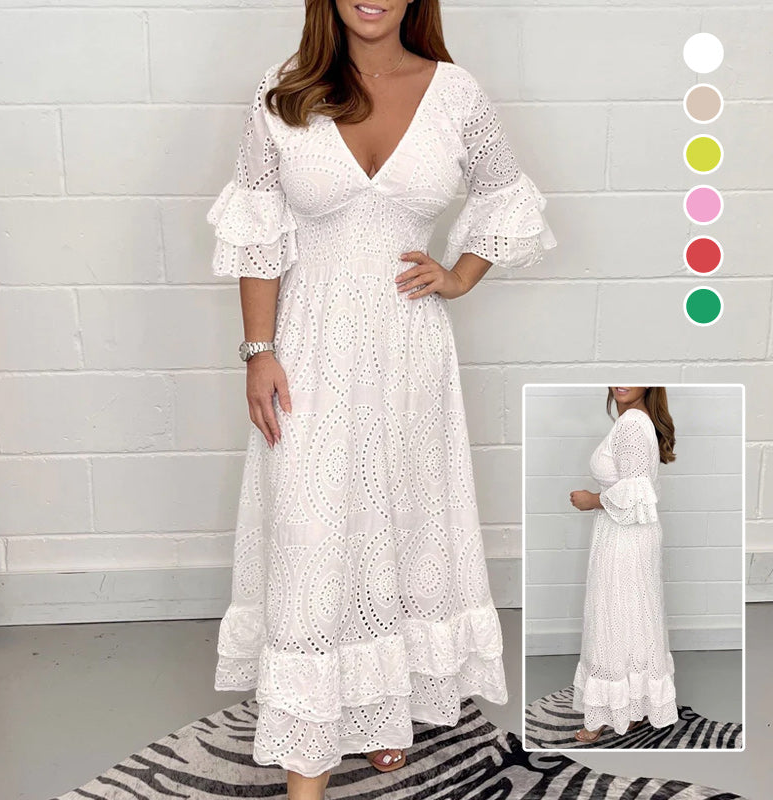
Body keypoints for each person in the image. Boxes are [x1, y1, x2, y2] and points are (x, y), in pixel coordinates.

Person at [207, 1, 556, 796]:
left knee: (400, 525)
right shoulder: (284, 91)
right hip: (307, 346)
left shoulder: (456, 93)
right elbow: (258, 233)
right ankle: (308, 751)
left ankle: (377, 705)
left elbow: (505, 195)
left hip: (409, 351)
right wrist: (259, 352)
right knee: (309, 530)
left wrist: (459, 275)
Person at [569, 387, 678, 744]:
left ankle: (606, 713)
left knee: (612, 620)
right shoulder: (639, 421)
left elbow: (635, 494)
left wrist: (592, 500)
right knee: (633, 619)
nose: (622, 382)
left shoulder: (632, 422)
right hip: (631, 535)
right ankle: (631, 709)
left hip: (624, 537)